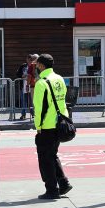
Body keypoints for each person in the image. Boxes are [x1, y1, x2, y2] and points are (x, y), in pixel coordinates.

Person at [32, 54, 72, 200]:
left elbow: (39, 108)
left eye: (37, 65)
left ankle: (51, 189)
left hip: (47, 126)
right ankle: (63, 183)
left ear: (42, 66)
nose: (35, 67)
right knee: (52, 155)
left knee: (45, 158)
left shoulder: (41, 83)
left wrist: (38, 126)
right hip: (60, 123)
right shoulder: (59, 79)